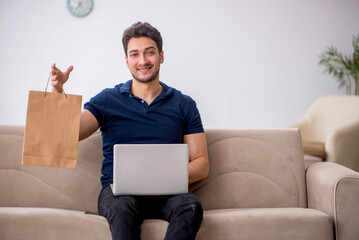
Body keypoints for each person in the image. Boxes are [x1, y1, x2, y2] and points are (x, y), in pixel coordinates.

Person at [50, 22, 209, 240]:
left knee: (190, 206)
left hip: (168, 193)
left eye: (149, 53)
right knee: (123, 208)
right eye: (135, 54)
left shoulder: (184, 104)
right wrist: (59, 93)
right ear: (127, 61)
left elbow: (201, 164)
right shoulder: (107, 99)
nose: (142, 61)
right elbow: (69, 133)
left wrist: (158, 175)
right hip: (119, 194)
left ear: (161, 56)